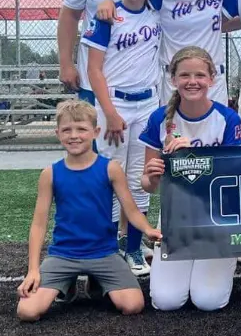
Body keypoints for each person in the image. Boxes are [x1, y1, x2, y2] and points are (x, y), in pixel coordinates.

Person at [16, 99, 162, 322]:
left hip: (104, 253)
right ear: (58, 133)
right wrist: (33, 270)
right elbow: (38, 224)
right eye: (67, 130)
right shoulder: (50, 174)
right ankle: (67, 285)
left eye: (81, 129)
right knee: (27, 312)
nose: (74, 136)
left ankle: (97, 283)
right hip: (63, 254)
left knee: (133, 305)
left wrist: (148, 230)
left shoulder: (110, 168)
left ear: (96, 132)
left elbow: (131, 211)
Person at [139, 46, 241, 311]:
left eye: (200, 75)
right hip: (176, 218)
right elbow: (148, 185)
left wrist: (191, 156)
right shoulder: (159, 118)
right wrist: (153, 174)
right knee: (166, 301)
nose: (192, 81)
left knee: (208, 301)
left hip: (217, 217)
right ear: (173, 79)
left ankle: (223, 260)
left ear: (212, 79)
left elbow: (233, 181)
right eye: (184, 75)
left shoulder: (227, 118)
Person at [81, 0, 161, 276]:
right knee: (113, 174)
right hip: (115, 102)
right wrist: (110, 113)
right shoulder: (108, 15)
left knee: (141, 177)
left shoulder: (157, 12)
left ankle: (134, 248)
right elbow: (94, 70)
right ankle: (110, 248)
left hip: (148, 102)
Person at [97, 0, 230, 105]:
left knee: (215, 124)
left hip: (212, 79)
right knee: (172, 124)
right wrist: (108, 2)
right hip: (174, 79)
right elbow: (131, 1)